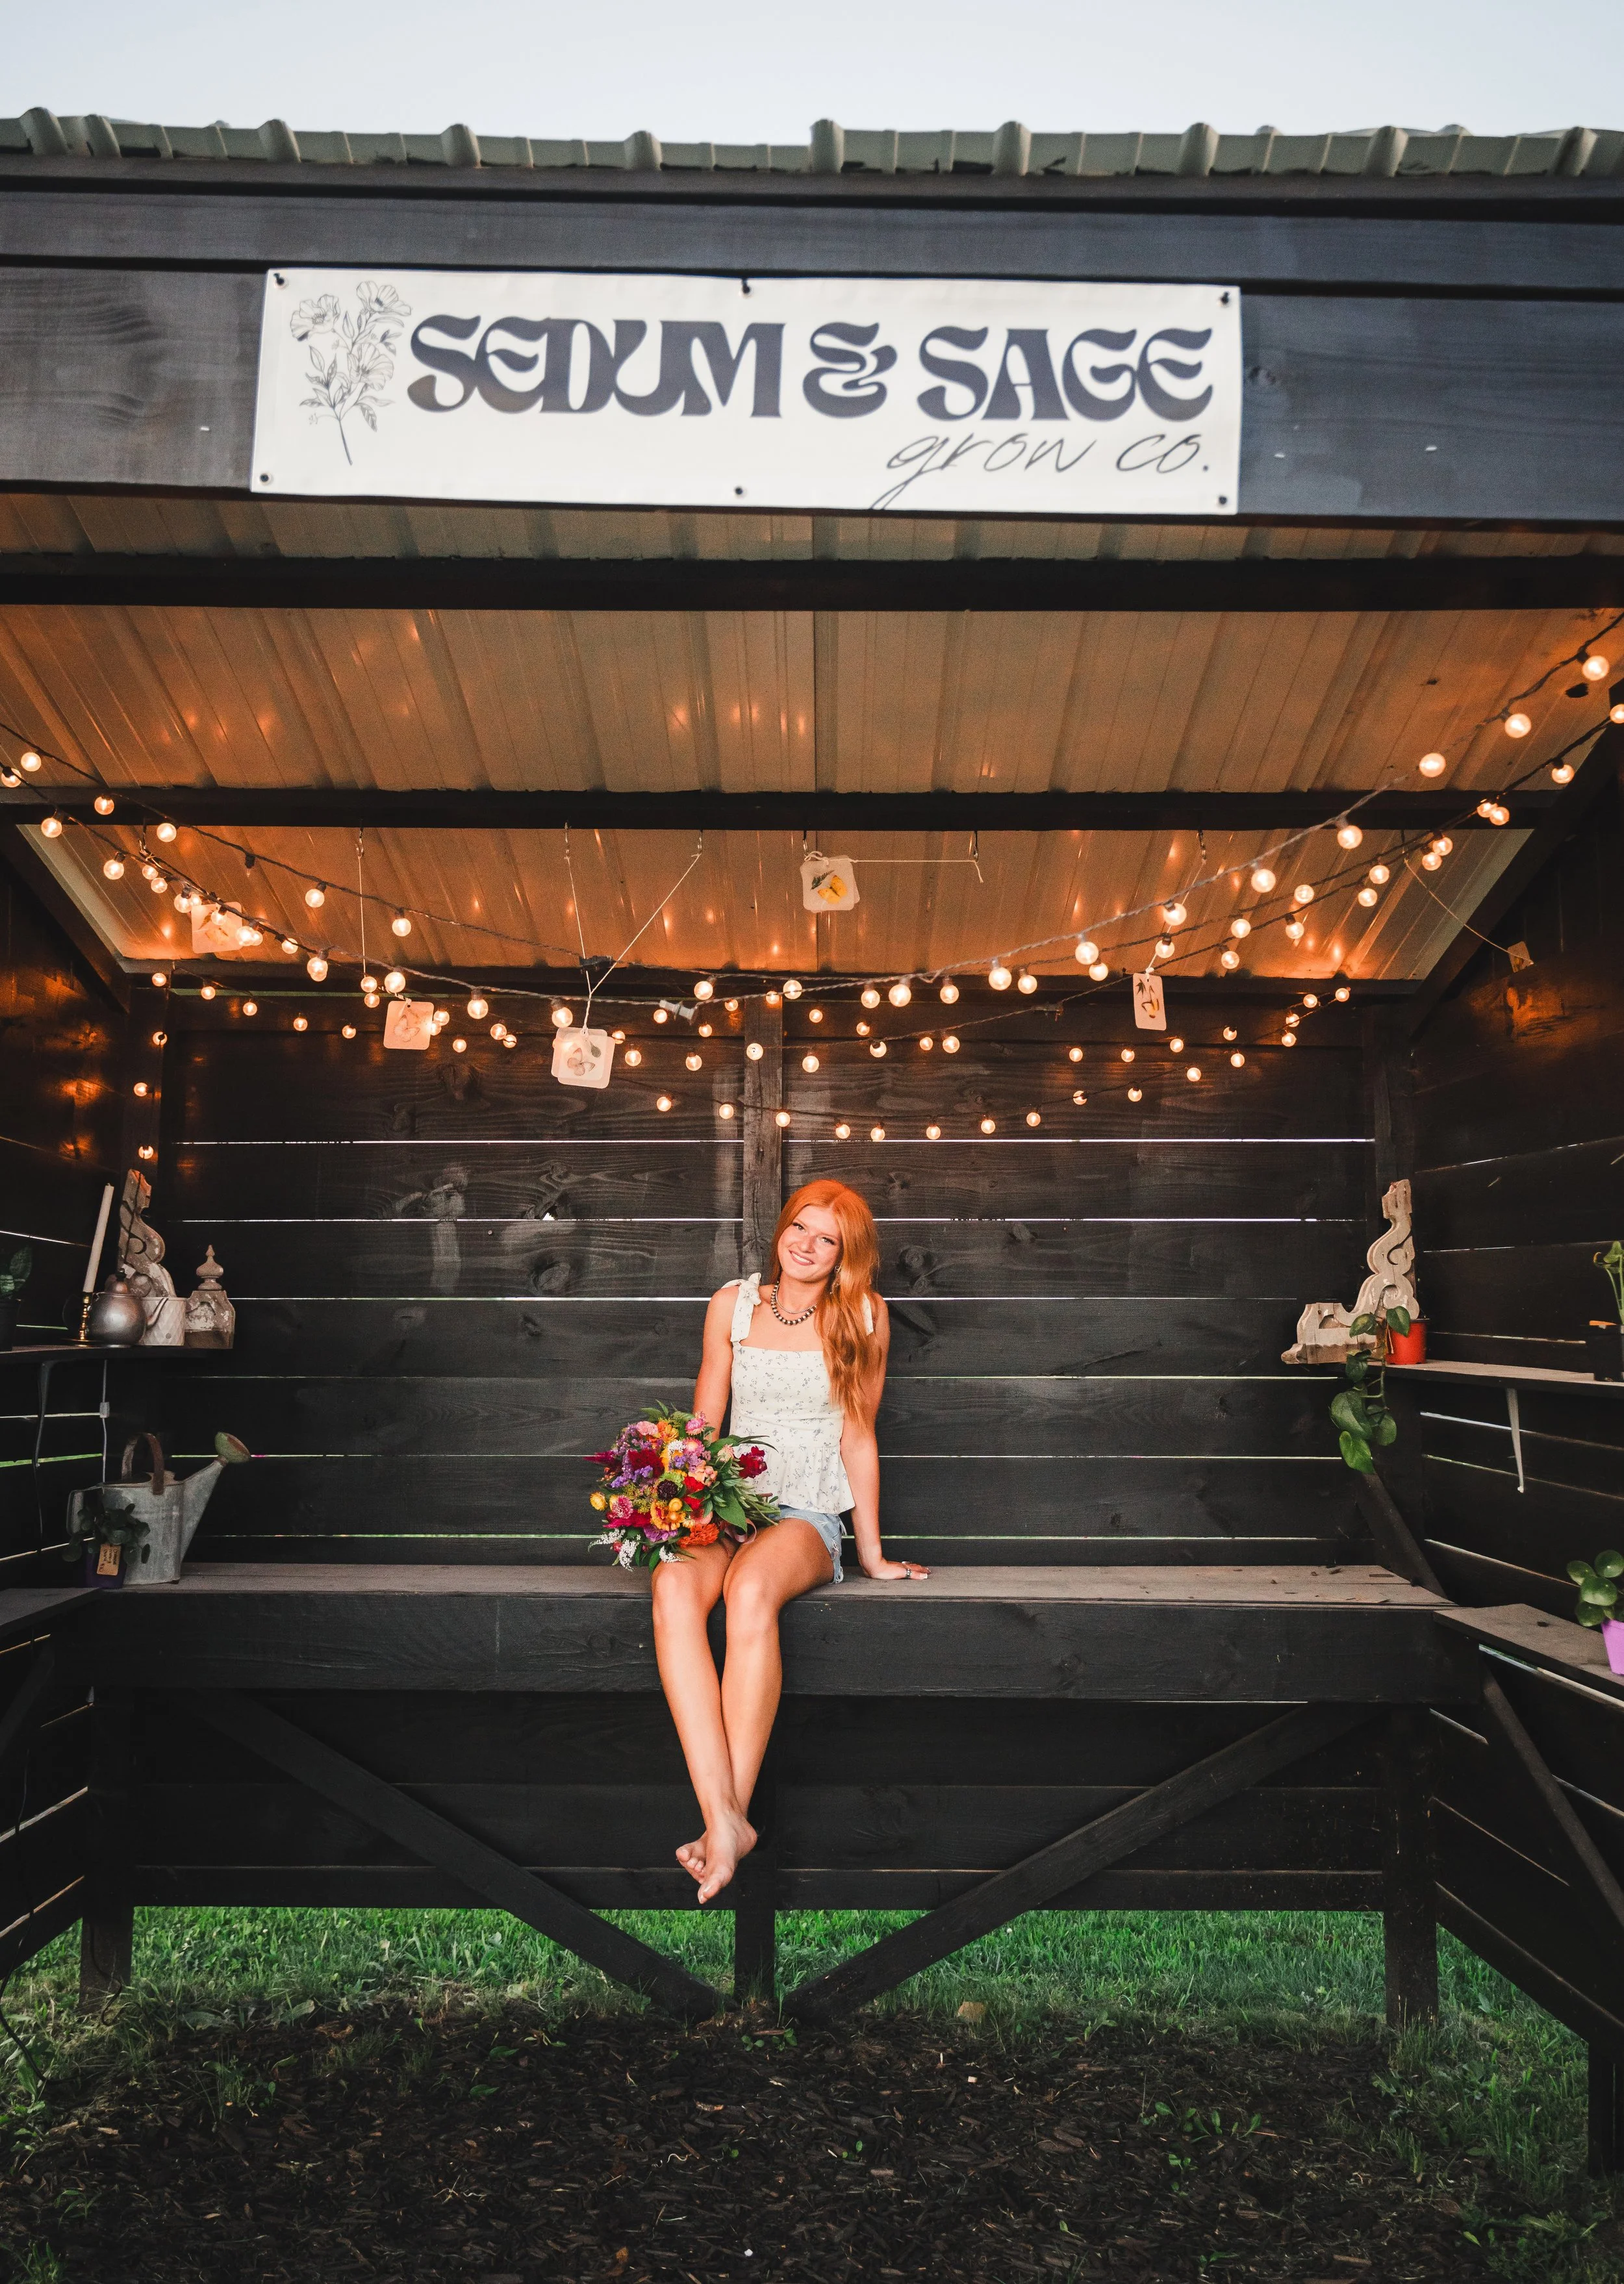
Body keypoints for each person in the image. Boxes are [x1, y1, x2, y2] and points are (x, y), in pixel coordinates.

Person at [652, 1177, 928, 1904]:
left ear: (847, 1254)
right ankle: (726, 1821)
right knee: (674, 1584)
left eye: (826, 1238)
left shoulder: (862, 1314)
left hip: (805, 1508)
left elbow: (859, 1434)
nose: (806, 1245)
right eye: (798, 1229)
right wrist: (681, 1500)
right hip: (728, 1502)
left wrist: (869, 1553)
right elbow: (706, 1419)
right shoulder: (732, 1305)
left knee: (749, 1593)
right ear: (780, 1231)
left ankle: (723, 1820)